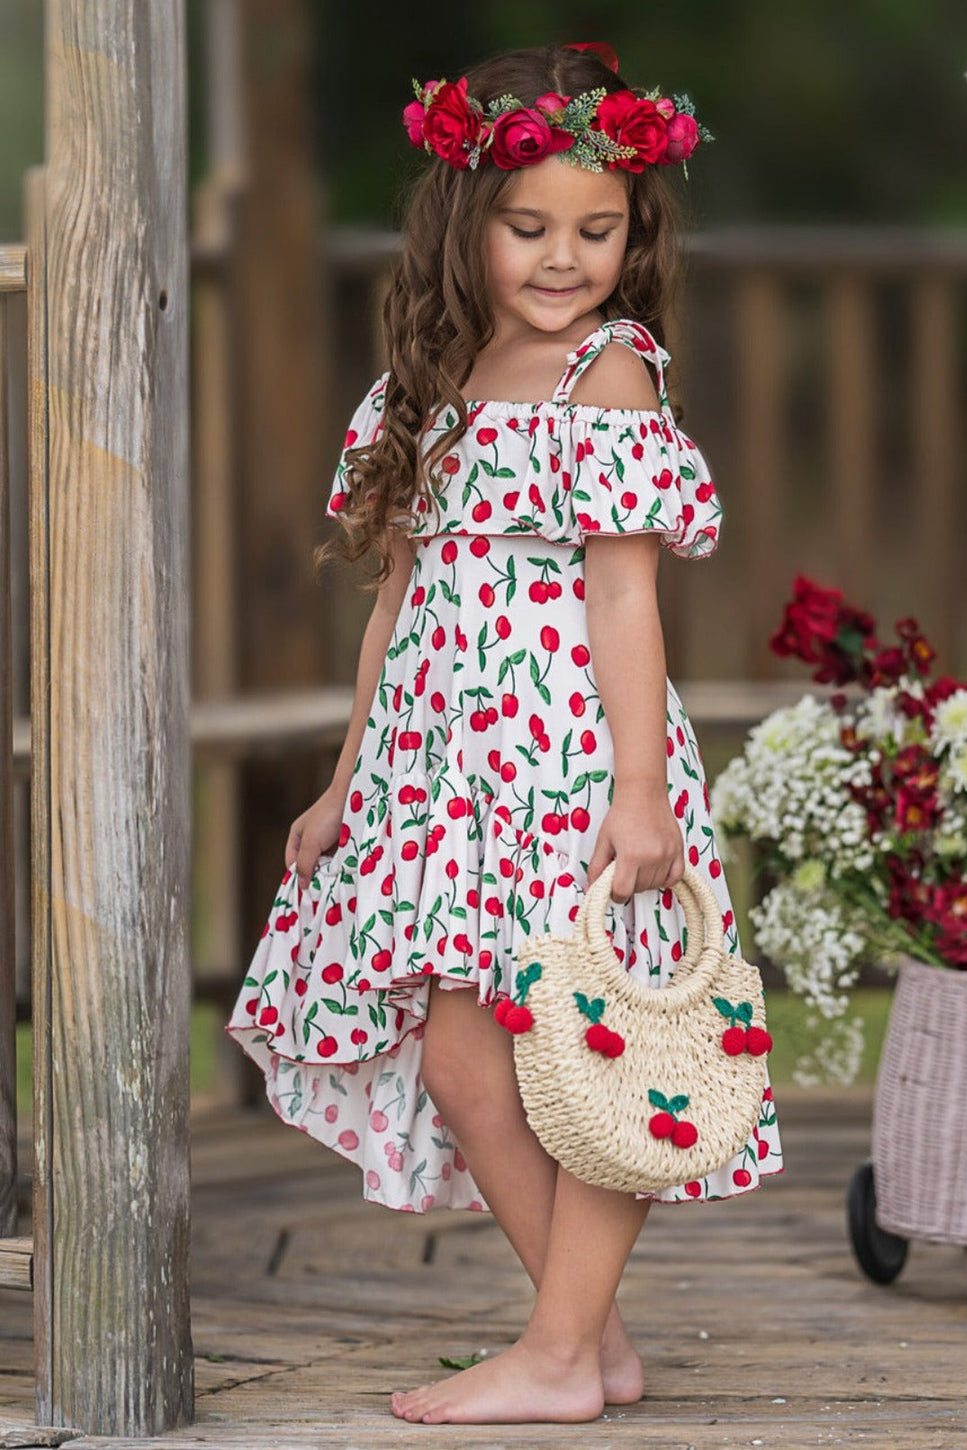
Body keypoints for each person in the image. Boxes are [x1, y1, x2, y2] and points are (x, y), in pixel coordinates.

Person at [226, 41, 783, 1426]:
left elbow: (625, 594)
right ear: (463, 219)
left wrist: (641, 791)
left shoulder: (608, 375)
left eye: (598, 230)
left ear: (634, 234)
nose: (564, 259)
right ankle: (583, 1340)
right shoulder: (432, 378)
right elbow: (395, 603)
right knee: (465, 1060)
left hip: (571, 762)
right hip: (440, 774)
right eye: (529, 227)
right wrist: (348, 781)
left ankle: (556, 1353)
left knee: (594, 1037)